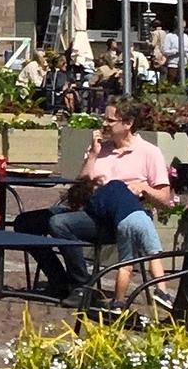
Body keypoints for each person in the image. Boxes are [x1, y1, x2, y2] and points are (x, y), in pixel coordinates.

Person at [46, 99, 173, 305]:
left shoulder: (149, 152)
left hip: (125, 218)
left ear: (128, 123)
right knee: (39, 220)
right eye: (103, 118)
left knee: (59, 223)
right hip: (95, 212)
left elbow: (165, 200)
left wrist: (144, 188)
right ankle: (65, 280)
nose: (104, 124)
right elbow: (79, 189)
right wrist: (93, 156)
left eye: (110, 120)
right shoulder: (99, 149)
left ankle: (82, 287)